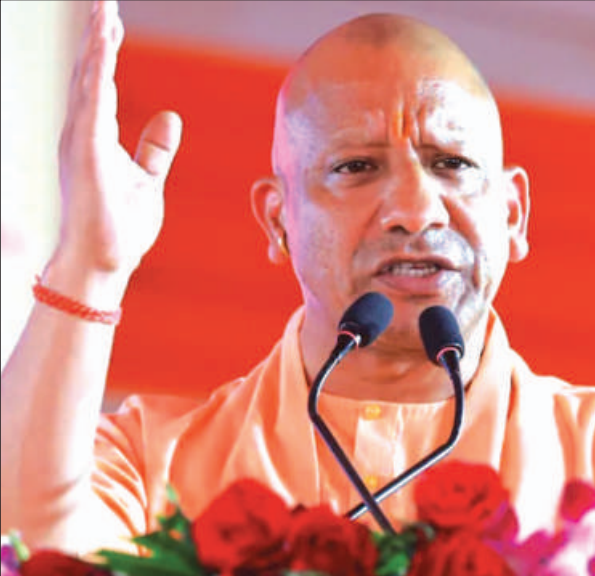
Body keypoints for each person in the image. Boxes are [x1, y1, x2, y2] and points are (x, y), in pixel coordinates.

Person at [1, 0, 593, 558]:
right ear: (279, 220)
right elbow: (30, 546)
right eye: (356, 166)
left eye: (452, 164)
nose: (415, 211)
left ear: (513, 214)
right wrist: (89, 266)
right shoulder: (153, 465)